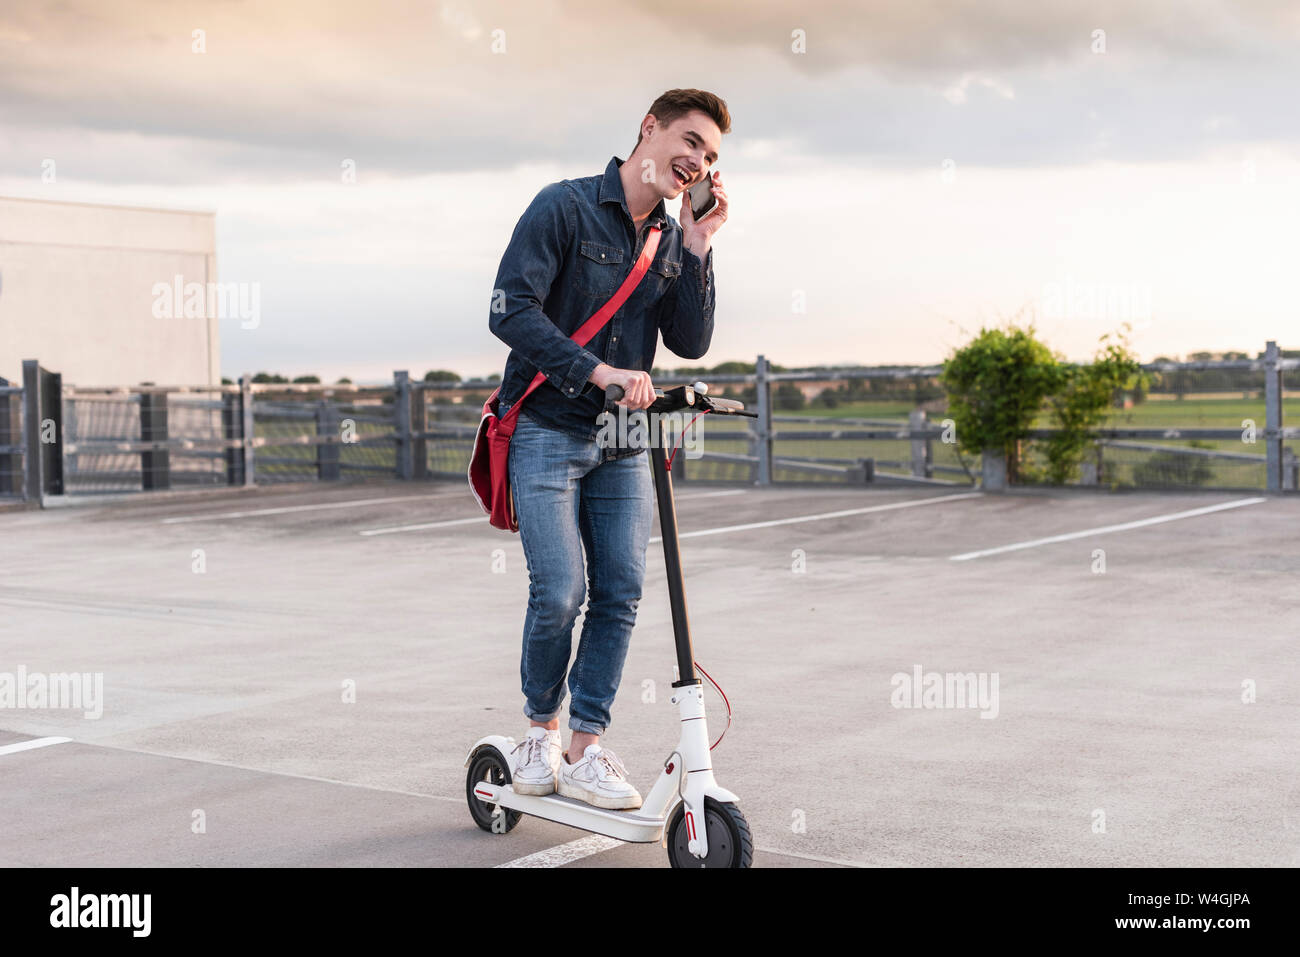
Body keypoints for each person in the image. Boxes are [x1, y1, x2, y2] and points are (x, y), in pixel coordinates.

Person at [486, 89, 730, 809]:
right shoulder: (562, 207)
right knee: (559, 590)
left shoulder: (667, 233)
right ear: (649, 129)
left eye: (711, 155)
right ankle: (540, 730)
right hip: (549, 423)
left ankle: (587, 745)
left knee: (620, 592)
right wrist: (596, 371)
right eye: (689, 141)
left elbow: (688, 341)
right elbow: (508, 308)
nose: (697, 160)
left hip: (624, 438)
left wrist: (698, 242)